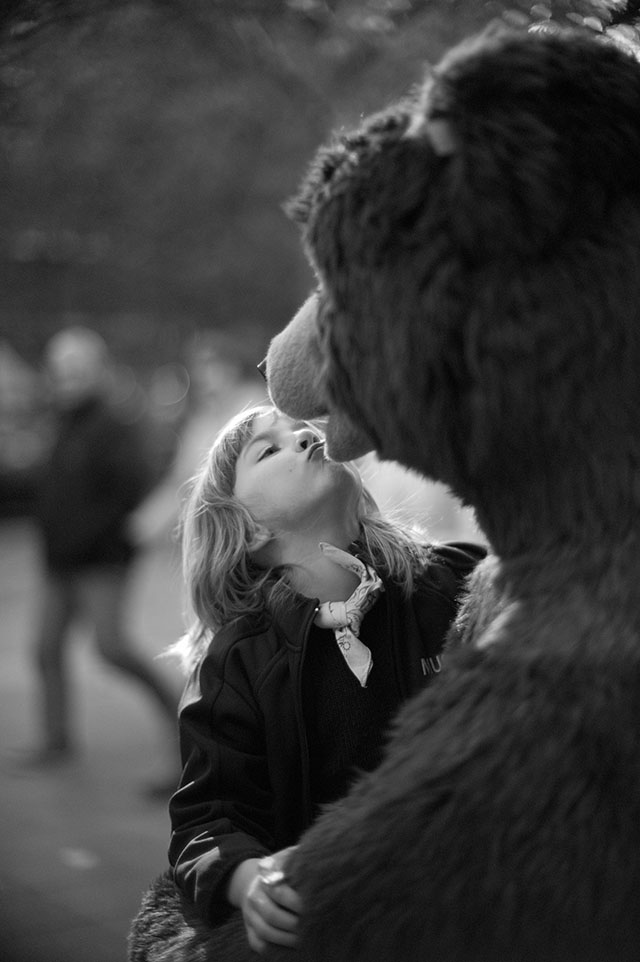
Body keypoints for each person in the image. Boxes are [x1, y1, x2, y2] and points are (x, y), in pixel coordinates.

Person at [165, 403, 486, 954]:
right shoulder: (237, 661)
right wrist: (252, 882)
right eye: (269, 449)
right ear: (249, 529)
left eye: (303, 428)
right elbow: (208, 821)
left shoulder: (456, 580)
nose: (304, 437)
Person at [23, 326, 179, 794]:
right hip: (59, 564)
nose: (67, 378)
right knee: (45, 647)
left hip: (98, 563)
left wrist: (95, 540)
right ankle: (56, 741)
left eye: (77, 369)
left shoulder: (113, 425)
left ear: (97, 371)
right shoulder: (62, 420)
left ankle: (187, 724)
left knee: (112, 648)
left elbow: (129, 494)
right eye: (61, 369)